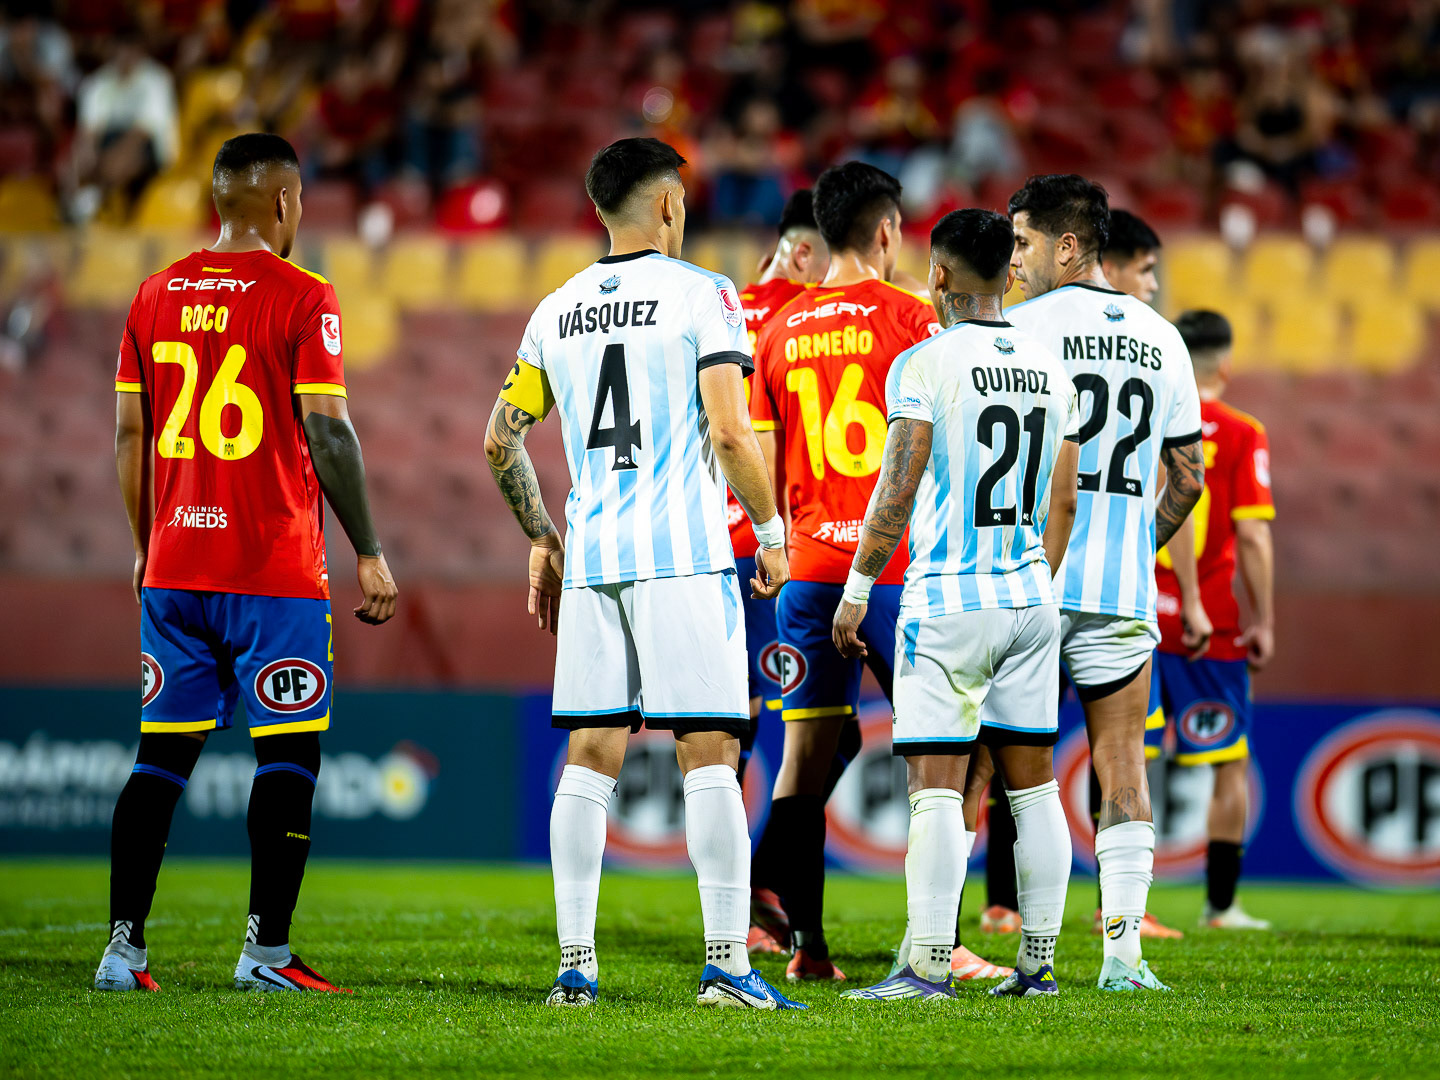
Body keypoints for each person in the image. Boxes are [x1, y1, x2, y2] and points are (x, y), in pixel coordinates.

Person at [483, 137, 803, 1011]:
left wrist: (546, 537)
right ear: (667, 205)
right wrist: (772, 530)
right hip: (684, 558)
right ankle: (727, 969)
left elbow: (498, 439)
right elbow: (733, 433)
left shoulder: (556, 309)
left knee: (589, 758)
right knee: (711, 752)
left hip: (594, 561)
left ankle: (576, 969)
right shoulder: (706, 294)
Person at [95, 133, 398, 994]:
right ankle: (265, 953)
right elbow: (328, 428)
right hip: (272, 573)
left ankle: (124, 950)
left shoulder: (154, 295)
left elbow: (129, 434)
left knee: (158, 761)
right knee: (287, 760)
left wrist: (145, 545)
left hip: (176, 569)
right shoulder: (303, 296)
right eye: (298, 202)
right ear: (282, 203)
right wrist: (370, 551)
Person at [835, 208, 1080, 1001]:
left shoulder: (924, 363)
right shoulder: (1050, 367)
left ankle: (928, 965)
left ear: (937, 274)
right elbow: (1065, 501)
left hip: (949, 599)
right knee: (1034, 785)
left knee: (936, 785)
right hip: (1031, 598)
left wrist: (860, 587)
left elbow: (897, 487)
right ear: (1010, 270)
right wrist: (1033, 577)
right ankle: (1038, 965)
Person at [1004, 174, 1205, 992]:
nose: (1012, 260)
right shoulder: (1164, 339)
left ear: (1068, 245)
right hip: (1120, 590)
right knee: (1124, 767)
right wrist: (1134, 546)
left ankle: (1027, 952)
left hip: (1029, 580)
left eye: (1022, 243)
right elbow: (1187, 479)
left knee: (1014, 773)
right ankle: (1124, 955)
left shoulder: (1014, 329)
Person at [747, 161, 939, 983]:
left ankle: (807, 950)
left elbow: (760, 451)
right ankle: (940, 941)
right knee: (940, 755)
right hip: (894, 569)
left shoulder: (779, 331)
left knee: (803, 759)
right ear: (889, 232)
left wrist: (776, 542)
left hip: (808, 565)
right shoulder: (915, 319)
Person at [1150, 310, 1275, 931]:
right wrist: (1265, 619)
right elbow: (1251, 537)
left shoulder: (1146, 417)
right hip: (1213, 626)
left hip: (1142, 611)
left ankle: (1121, 910)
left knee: (1126, 755)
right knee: (1228, 762)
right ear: (1225, 363)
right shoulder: (1244, 431)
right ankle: (1220, 906)